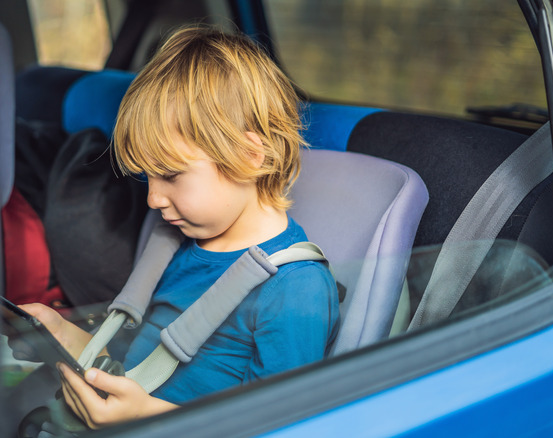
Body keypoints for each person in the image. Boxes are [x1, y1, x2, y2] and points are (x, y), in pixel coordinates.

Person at [19, 25, 340, 429]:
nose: (153, 199)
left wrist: (142, 415)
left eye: (170, 175)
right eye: (147, 178)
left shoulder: (294, 288)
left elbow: (279, 427)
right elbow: (141, 361)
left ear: (249, 155)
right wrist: (66, 337)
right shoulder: (183, 240)